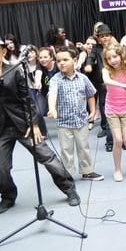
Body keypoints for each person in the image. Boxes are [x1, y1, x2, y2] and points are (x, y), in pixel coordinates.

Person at [0, 31, 80, 214]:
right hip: (0, 128)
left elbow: (27, 100)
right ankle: (7, 197)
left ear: (3, 51)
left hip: (23, 125)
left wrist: (34, 124)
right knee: (0, 169)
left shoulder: (15, 70)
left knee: (48, 158)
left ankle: (70, 190)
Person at [47, 46, 104, 181]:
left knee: (84, 147)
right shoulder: (56, 79)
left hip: (81, 121)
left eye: (65, 59)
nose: (62, 63)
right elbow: (52, 94)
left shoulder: (82, 78)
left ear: (75, 60)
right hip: (64, 123)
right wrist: (52, 108)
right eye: (59, 60)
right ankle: (68, 173)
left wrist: (93, 110)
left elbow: (90, 94)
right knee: (66, 150)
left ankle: (87, 171)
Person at [102, 43, 126, 181]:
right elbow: (106, 81)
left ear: (121, 55)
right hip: (111, 109)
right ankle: (117, 170)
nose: (112, 60)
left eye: (115, 56)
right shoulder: (106, 70)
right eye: (109, 58)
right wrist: (123, 85)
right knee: (118, 140)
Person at [86, 24, 116, 151]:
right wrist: (89, 65)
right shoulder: (96, 48)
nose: (104, 38)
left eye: (107, 36)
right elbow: (90, 58)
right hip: (103, 84)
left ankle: (122, 139)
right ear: (98, 38)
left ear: (110, 36)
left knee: (119, 110)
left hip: (117, 83)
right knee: (105, 109)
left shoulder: (116, 48)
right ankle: (109, 140)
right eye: (102, 36)